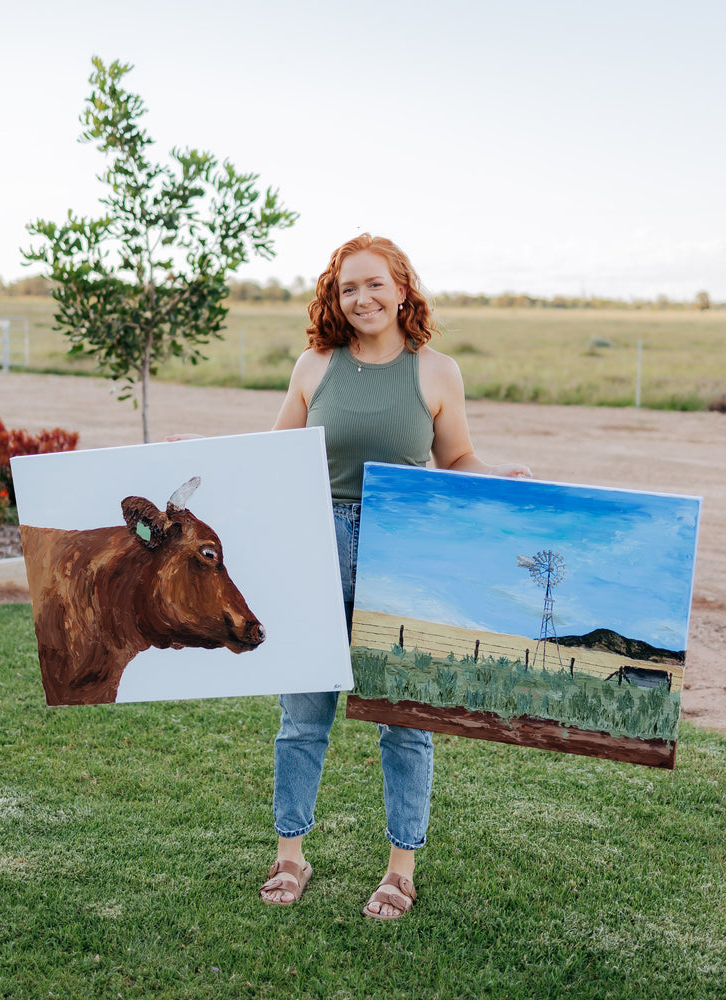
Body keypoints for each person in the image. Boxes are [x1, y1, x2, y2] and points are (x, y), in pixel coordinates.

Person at [260, 233, 530, 920]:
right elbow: (272, 456)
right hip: (315, 547)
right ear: (335, 295)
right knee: (302, 715)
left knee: (405, 722)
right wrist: (200, 459)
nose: (362, 298)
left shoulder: (436, 371)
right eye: (349, 287)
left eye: (375, 284)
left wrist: (495, 478)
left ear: (403, 288)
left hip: (402, 553)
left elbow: (458, 455)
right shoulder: (314, 365)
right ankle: (290, 854)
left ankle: (399, 868)